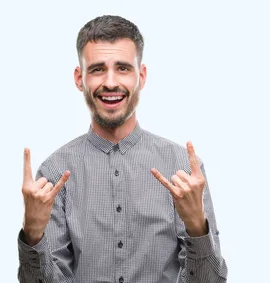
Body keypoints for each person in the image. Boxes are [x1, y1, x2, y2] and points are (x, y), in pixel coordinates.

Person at [17, 15, 228, 283]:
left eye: (123, 68)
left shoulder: (184, 169)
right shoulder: (54, 173)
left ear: (141, 76)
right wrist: (33, 235)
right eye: (97, 69)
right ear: (79, 78)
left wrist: (198, 227)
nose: (111, 82)